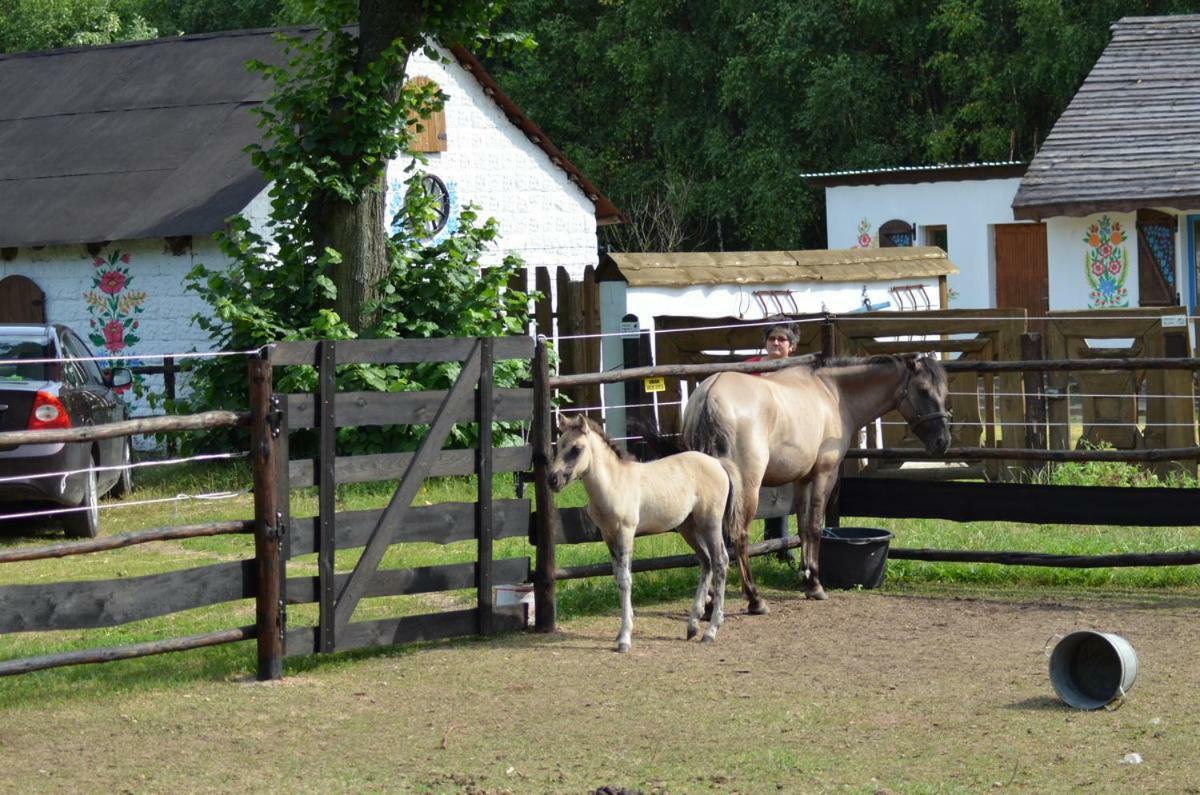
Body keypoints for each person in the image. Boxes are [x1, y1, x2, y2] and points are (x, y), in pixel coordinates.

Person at [747, 322, 798, 561]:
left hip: (783, 440)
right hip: (749, 439)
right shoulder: (749, 368)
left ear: (792, 346)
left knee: (781, 491)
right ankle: (731, 548)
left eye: (781, 339)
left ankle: (779, 548)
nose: (775, 343)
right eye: (772, 339)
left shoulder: (796, 373)